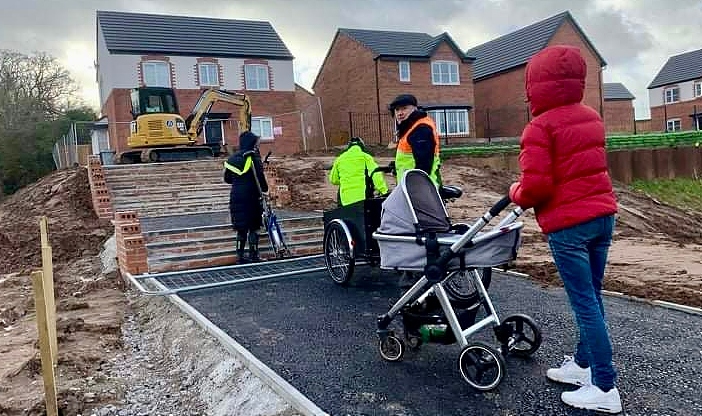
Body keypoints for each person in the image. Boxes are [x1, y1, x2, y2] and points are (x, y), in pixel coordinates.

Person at [508, 45, 622, 414]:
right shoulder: (591, 116)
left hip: (569, 225)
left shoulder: (539, 127)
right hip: (603, 215)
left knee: (585, 303)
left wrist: (515, 192)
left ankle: (605, 387)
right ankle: (583, 365)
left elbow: (537, 188)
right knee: (594, 296)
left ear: (536, 85)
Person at [224, 131, 268, 264]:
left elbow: (227, 179)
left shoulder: (232, 159)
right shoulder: (254, 158)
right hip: (252, 197)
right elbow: (261, 182)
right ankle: (254, 255)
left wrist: (239, 181)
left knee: (241, 228)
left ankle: (240, 256)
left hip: (236, 196)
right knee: (253, 227)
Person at [388, 94, 442, 186]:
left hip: (421, 188)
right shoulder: (409, 127)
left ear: (414, 109)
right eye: (397, 110)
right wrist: (398, 165)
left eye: (404, 108)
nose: (400, 113)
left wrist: (415, 187)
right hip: (412, 185)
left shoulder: (420, 129)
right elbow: (410, 156)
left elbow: (424, 165)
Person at [328, 137, 389, 206]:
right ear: (362, 146)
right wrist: (384, 191)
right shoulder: (366, 157)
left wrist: (346, 180)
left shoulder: (340, 159)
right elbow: (376, 175)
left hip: (344, 200)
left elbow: (333, 180)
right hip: (363, 199)